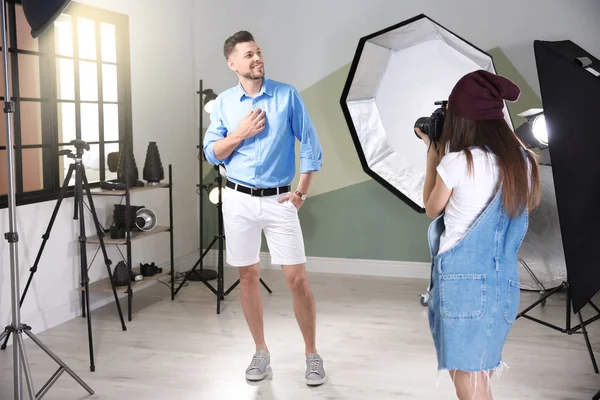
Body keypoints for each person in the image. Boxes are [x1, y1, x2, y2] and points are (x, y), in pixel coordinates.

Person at [202, 30, 325, 386]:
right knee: (248, 276)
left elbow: (311, 146)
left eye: (258, 52)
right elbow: (212, 153)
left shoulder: (287, 96)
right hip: (237, 200)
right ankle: (260, 351)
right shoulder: (224, 103)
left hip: (279, 199)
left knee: (296, 279)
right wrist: (239, 133)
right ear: (232, 64)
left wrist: (301, 192)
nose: (257, 59)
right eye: (248, 55)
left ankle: (312, 354)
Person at [415, 70, 541, 400]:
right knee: (480, 375)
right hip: (502, 284)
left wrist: (433, 151)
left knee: (466, 380)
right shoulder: (523, 163)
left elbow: (431, 207)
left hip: (462, 286)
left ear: (462, 120)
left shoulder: (457, 163)